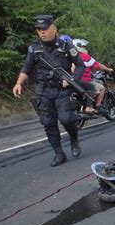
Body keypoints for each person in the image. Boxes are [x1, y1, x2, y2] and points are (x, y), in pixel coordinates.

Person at [12, 15, 85, 166]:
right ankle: (59, 154)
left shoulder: (66, 46)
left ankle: (74, 138)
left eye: (45, 29)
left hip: (62, 90)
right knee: (48, 122)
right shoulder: (34, 48)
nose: (42, 32)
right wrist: (19, 83)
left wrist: (71, 79)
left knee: (67, 119)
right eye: (39, 30)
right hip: (44, 91)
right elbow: (27, 67)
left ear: (54, 28)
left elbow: (80, 65)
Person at [71, 38, 113, 114]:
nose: (84, 48)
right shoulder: (85, 57)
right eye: (83, 47)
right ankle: (97, 106)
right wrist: (108, 69)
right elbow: (98, 65)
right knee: (102, 88)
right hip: (84, 81)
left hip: (73, 82)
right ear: (79, 47)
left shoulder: (71, 57)